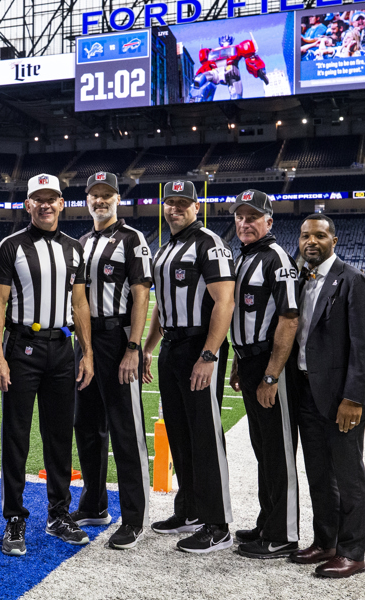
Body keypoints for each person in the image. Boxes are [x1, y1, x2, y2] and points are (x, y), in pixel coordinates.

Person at [0, 172, 94, 557]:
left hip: (62, 349)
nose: (46, 204)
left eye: (52, 198)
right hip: (23, 348)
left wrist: (88, 353)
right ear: (28, 204)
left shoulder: (73, 249)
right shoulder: (10, 246)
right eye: (39, 199)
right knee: (16, 434)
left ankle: (58, 514)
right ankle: (14, 518)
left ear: (62, 203)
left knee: (59, 435)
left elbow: (80, 303)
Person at [143, 180, 236, 554]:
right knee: (180, 432)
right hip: (172, 346)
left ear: (196, 207)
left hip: (199, 345)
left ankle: (218, 524)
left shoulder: (209, 243)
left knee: (205, 436)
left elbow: (224, 302)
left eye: (183, 203)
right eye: (171, 203)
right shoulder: (166, 248)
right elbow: (162, 306)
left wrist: (209, 354)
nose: (175, 208)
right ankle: (190, 510)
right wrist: (148, 348)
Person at [289, 213, 365, 578]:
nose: (311, 241)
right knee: (319, 472)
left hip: (342, 397)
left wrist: (354, 398)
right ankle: (325, 541)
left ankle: (353, 552)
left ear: (334, 241)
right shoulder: (300, 279)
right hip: (307, 391)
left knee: (348, 474)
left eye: (320, 236)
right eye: (305, 236)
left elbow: (364, 347)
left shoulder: (354, 281)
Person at [73, 172, 153, 550]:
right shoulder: (82, 241)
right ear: (87, 200)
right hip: (86, 342)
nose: (100, 200)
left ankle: (134, 518)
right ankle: (94, 504)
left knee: (125, 430)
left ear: (117, 198)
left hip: (117, 337)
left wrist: (134, 347)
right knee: (87, 425)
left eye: (106, 195)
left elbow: (141, 296)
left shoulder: (132, 238)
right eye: (94, 195)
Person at [226, 190, 301, 560]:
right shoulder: (245, 258)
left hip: (272, 365)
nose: (244, 223)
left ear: (269, 221)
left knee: (278, 450)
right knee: (263, 449)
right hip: (251, 360)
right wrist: (239, 362)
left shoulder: (276, 258)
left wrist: (271, 375)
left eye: (252, 217)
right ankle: (267, 519)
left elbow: (289, 318)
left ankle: (283, 533)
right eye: (240, 217)